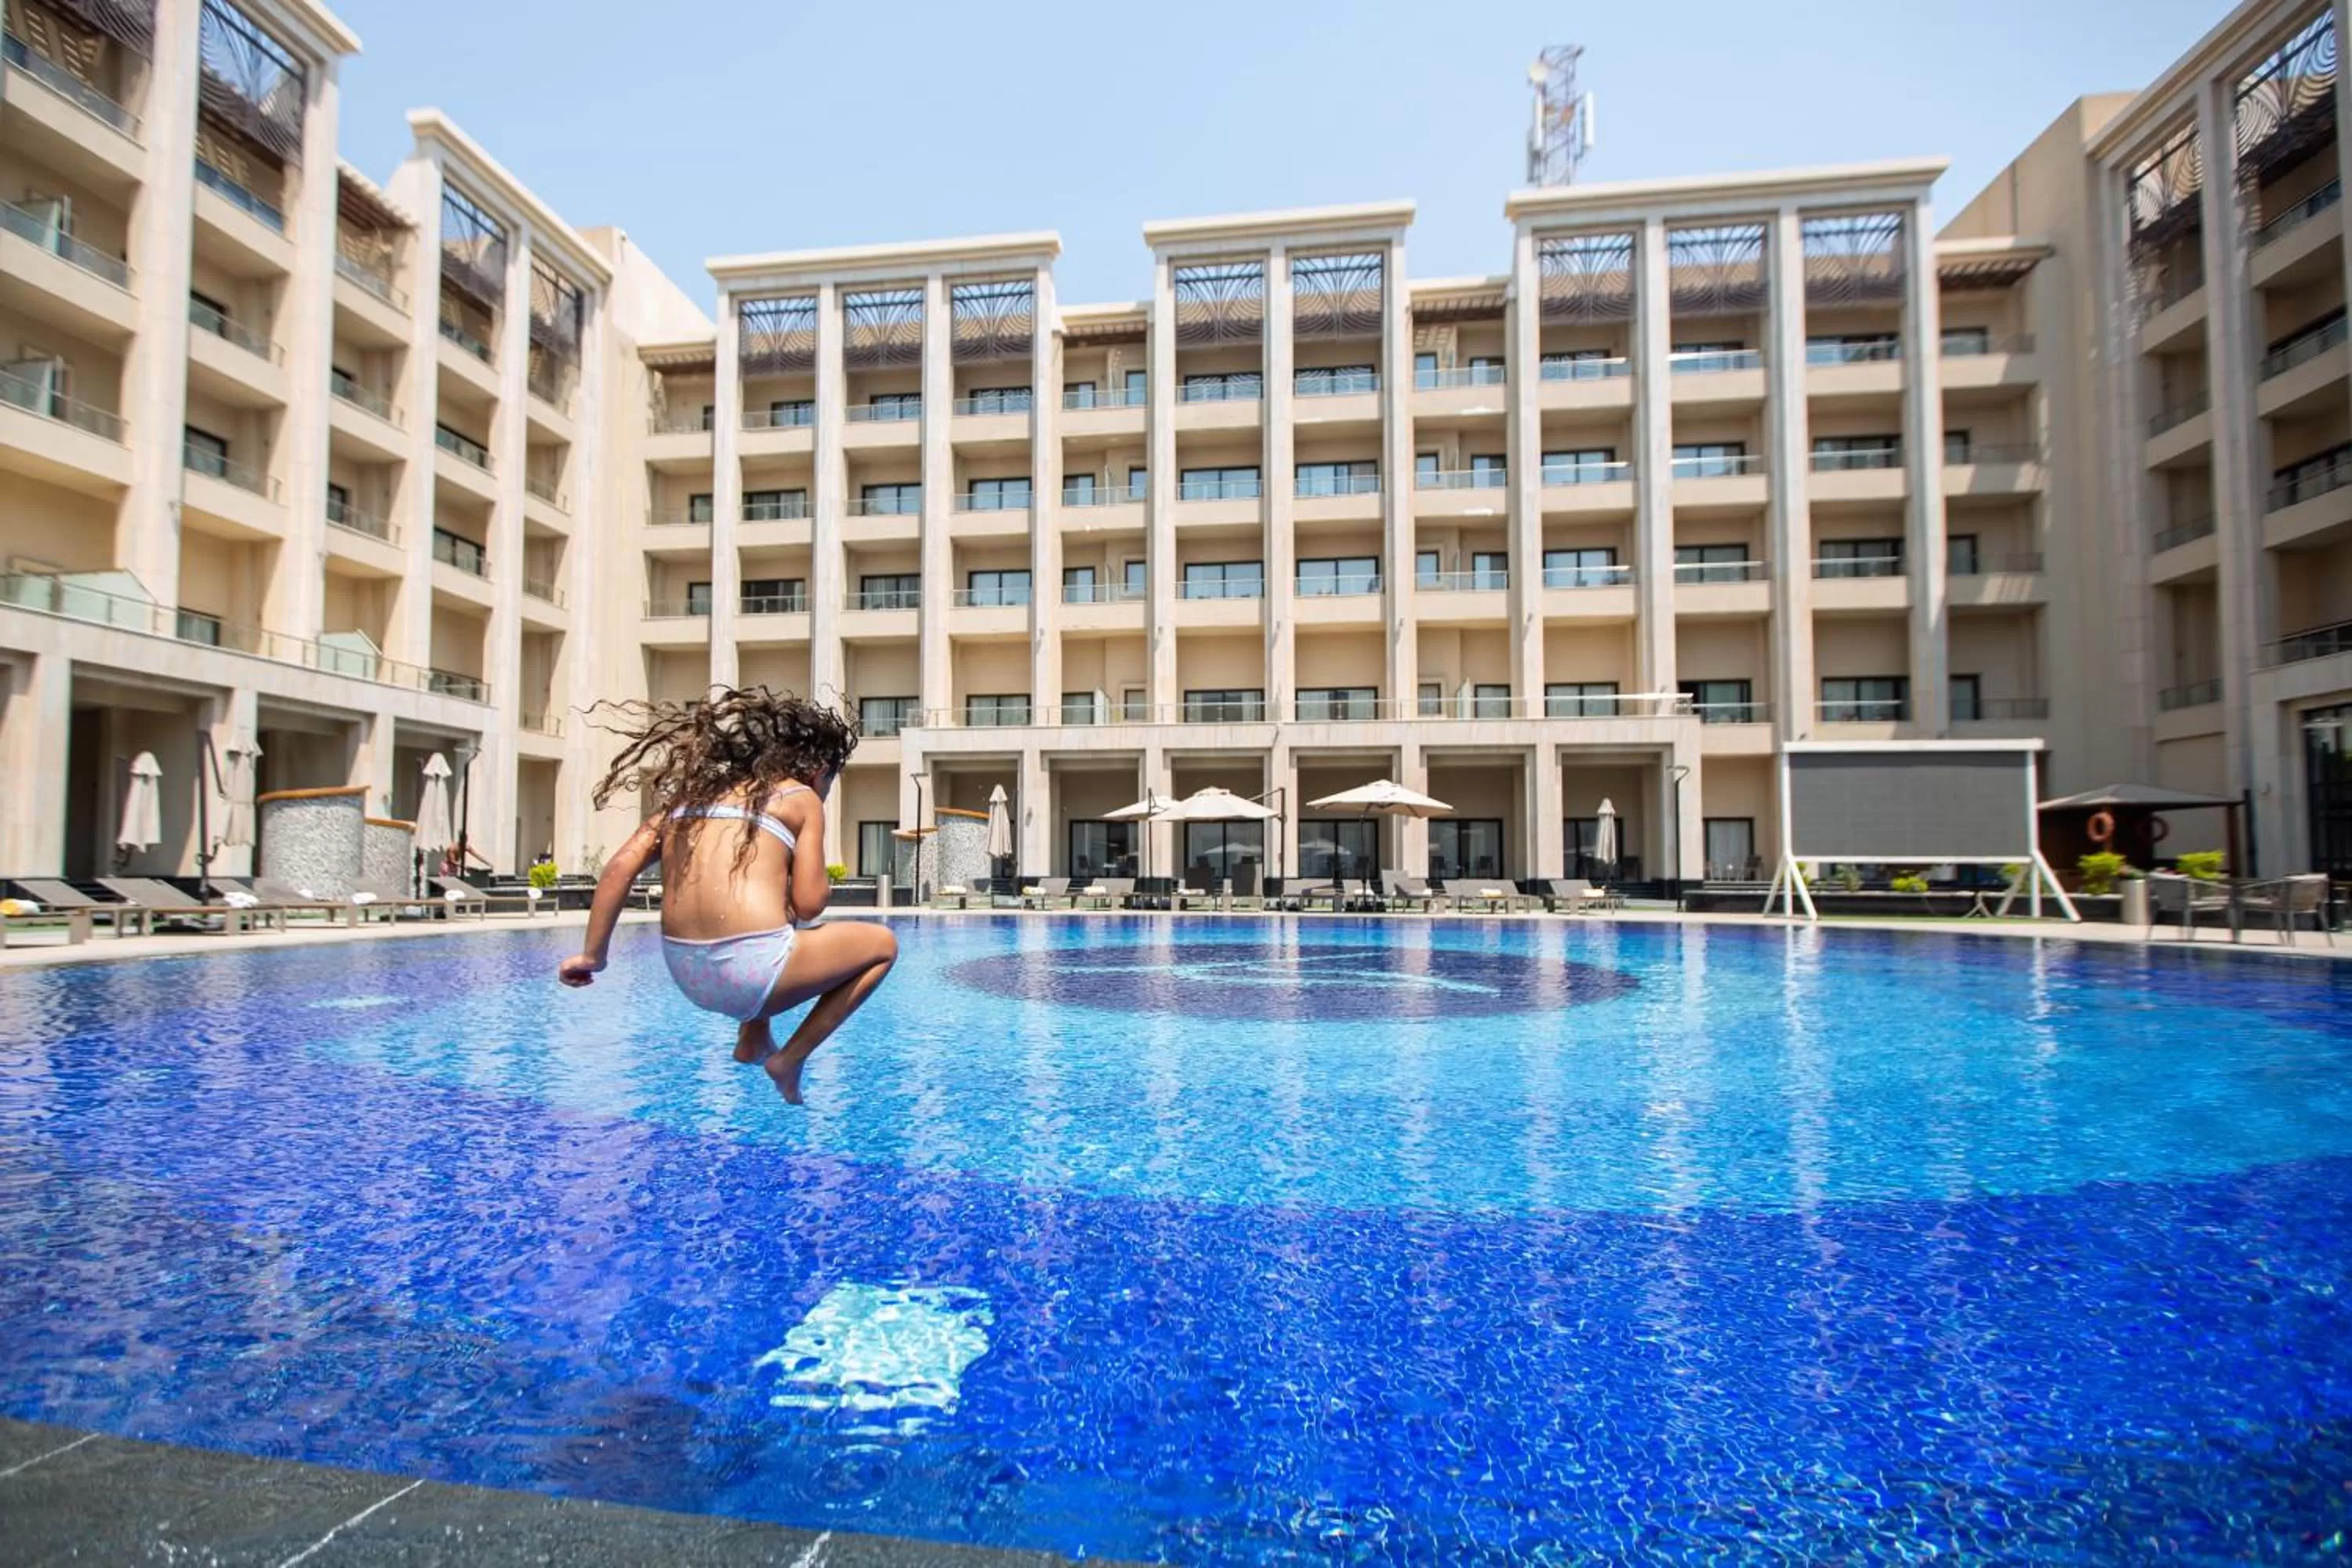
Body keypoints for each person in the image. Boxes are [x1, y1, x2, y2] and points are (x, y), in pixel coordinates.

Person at [557, 687, 898, 1105]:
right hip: (751, 970)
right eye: (831, 779)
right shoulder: (800, 797)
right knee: (882, 946)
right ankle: (789, 1059)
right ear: (817, 768)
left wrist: (593, 956)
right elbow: (811, 903)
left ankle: (753, 1038)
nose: (827, 789)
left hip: (688, 974)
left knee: (778, 920)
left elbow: (619, 866)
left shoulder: (690, 798)